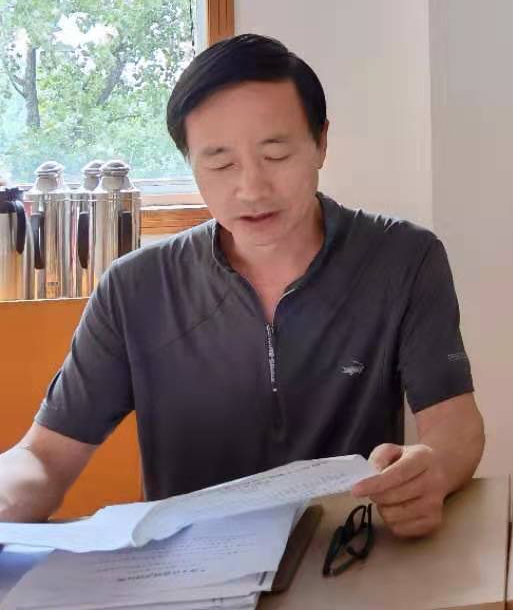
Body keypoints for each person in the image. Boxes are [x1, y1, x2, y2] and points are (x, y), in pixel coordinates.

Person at [0, 35, 485, 536]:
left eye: (276, 155)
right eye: (220, 163)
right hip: (190, 568)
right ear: (190, 161)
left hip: (351, 554)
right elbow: (44, 457)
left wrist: (434, 471)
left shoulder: (402, 259)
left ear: (321, 143)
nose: (252, 188)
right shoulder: (135, 288)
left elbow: (454, 425)